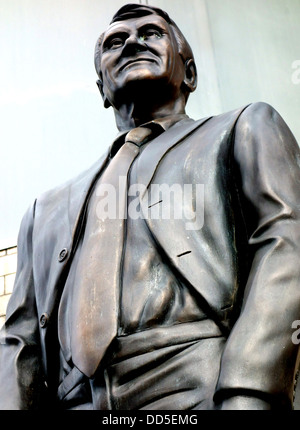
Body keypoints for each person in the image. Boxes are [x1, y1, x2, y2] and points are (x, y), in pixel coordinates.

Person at [1, 3, 300, 410]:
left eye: (152, 33)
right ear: (102, 90)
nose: (133, 43)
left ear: (189, 72)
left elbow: (288, 244)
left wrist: (248, 389)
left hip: (200, 388)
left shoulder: (241, 130)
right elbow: (19, 342)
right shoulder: (44, 212)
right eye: (115, 42)